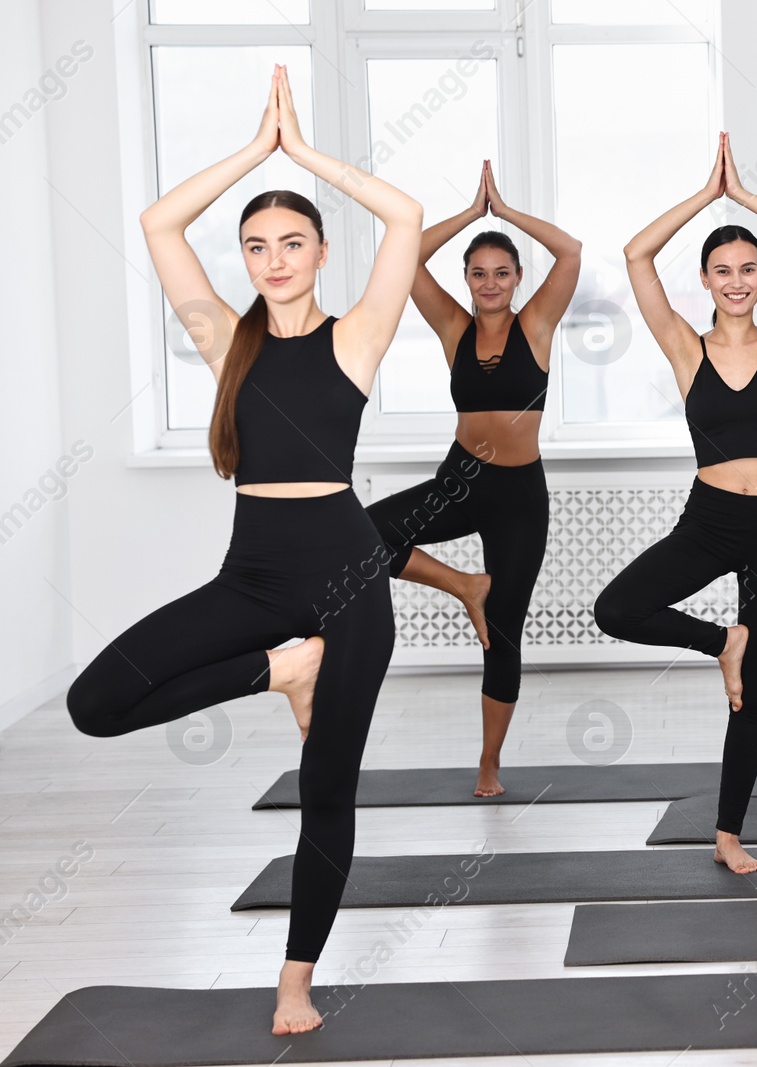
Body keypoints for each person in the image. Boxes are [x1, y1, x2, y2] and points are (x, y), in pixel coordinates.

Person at [64, 67, 422, 1033]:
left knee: (326, 788)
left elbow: (407, 217)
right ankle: (278, 670)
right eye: (256, 245)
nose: (272, 259)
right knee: (94, 703)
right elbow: (156, 224)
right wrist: (249, 156)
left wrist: (300, 154)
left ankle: (294, 980)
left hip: (349, 575)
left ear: (318, 252)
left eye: (291, 243)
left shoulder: (357, 337)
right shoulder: (228, 339)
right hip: (255, 576)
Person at [593, 133, 757, 874]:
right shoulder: (684, 347)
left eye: (748, 269)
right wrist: (706, 196)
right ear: (705, 277)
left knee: (751, 696)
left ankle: (729, 833)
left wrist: (745, 194)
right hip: (711, 520)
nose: (735, 281)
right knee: (617, 607)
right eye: (722, 270)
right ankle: (716, 641)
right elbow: (635, 254)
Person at [365, 161, 581, 797]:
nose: (490, 283)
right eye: (478, 273)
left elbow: (569, 250)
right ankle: (465, 585)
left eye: (502, 273)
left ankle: (489, 765)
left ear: (518, 279)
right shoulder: (453, 327)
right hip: (461, 481)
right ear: (466, 279)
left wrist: (503, 211)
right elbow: (403, 259)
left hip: (519, 496)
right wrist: (468, 215)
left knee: (504, 636)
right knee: (365, 531)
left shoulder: (536, 324)